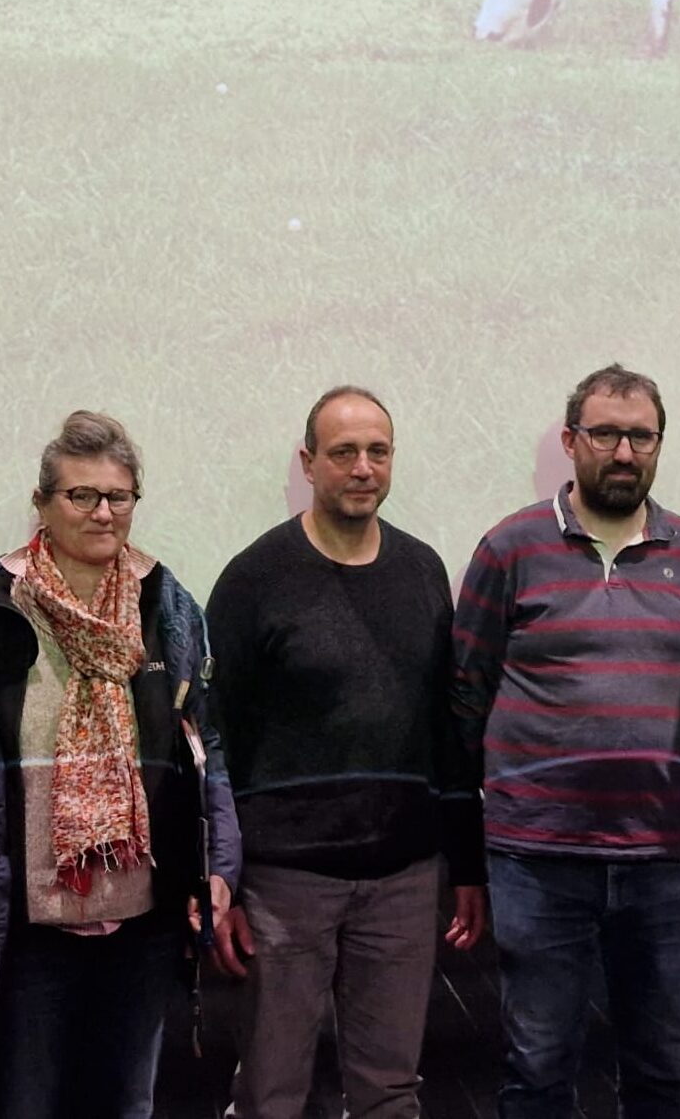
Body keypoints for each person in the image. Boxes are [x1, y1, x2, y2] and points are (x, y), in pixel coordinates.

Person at [0, 410, 240, 1119]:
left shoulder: (168, 606)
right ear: (42, 503)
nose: (103, 511)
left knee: (125, 1104)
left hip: (142, 926)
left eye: (119, 496)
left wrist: (220, 866)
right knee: (23, 1103)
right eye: (81, 495)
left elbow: (208, 752)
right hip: (24, 928)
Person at [452, 363, 680, 1119]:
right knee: (538, 1067)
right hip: (538, 858)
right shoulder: (509, 548)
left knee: (664, 1068)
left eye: (641, 435)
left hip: (664, 860)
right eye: (605, 433)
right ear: (571, 441)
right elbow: (467, 692)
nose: (624, 451)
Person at [211, 385, 486, 1119]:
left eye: (378, 451)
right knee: (270, 1092)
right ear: (308, 462)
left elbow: (447, 731)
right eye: (343, 452)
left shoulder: (424, 571)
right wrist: (224, 881)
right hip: (284, 886)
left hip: (403, 879)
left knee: (391, 1093)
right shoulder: (253, 578)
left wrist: (466, 863)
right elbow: (215, 741)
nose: (363, 467)